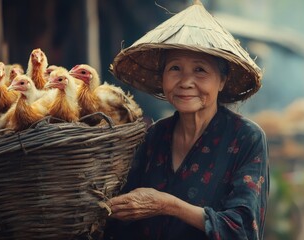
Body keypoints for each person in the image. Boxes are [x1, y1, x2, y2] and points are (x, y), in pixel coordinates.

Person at [105, 1, 269, 239]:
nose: (185, 82)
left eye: (200, 70)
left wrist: (167, 204)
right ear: (163, 77)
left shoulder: (246, 138)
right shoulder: (154, 135)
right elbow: (123, 217)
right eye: (175, 68)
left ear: (221, 81)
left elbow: (242, 228)